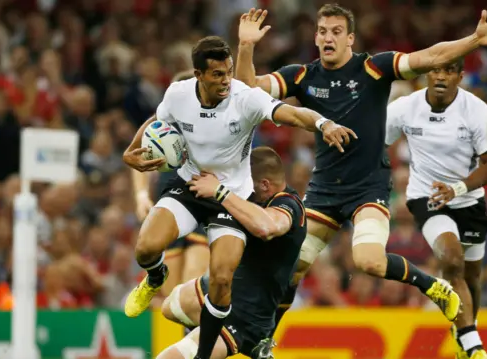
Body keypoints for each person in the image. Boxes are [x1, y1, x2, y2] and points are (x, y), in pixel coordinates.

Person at [235, 4, 487, 333]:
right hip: (324, 191)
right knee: (288, 267)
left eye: (336, 31)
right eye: (322, 31)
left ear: (350, 38)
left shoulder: (374, 68)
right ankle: (263, 341)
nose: (328, 38)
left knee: (368, 262)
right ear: (316, 37)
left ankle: (433, 286)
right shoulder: (302, 76)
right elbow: (247, 90)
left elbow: (430, 56)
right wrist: (246, 46)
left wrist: (474, 40)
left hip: (368, 188)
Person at [122, 35, 356, 359]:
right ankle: (155, 274)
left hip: (230, 196)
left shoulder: (244, 98)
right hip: (191, 186)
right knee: (146, 248)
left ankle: (206, 352)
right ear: (198, 75)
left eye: (229, 72)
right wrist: (131, 150)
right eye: (217, 74)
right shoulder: (177, 95)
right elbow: (156, 122)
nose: (226, 81)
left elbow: (289, 113)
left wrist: (323, 122)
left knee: (220, 277)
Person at [385, 60, 487, 359]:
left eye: (449, 71)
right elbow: (373, 144)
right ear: (426, 74)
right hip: (427, 198)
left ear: (460, 77)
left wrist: (458, 189)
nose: (440, 76)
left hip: (468, 201)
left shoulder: (476, 111)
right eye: (436, 70)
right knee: (452, 261)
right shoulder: (404, 107)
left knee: (472, 276)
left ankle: (465, 333)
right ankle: (473, 345)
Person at [155, 146, 304, 359]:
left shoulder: (289, 206)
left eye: (248, 184)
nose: (244, 190)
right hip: (218, 290)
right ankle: (207, 335)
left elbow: (267, 226)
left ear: (265, 184)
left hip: (242, 316)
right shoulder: (255, 198)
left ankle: (213, 340)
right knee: (169, 306)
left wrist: (221, 192)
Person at [133, 69, 211, 298]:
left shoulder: (215, 126)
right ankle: (188, 331)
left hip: (203, 208)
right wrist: (140, 195)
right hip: (170, 208)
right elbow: (140, 160)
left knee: (193, 277)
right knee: (171, 293)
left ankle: (203, 330)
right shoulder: (161, 127)